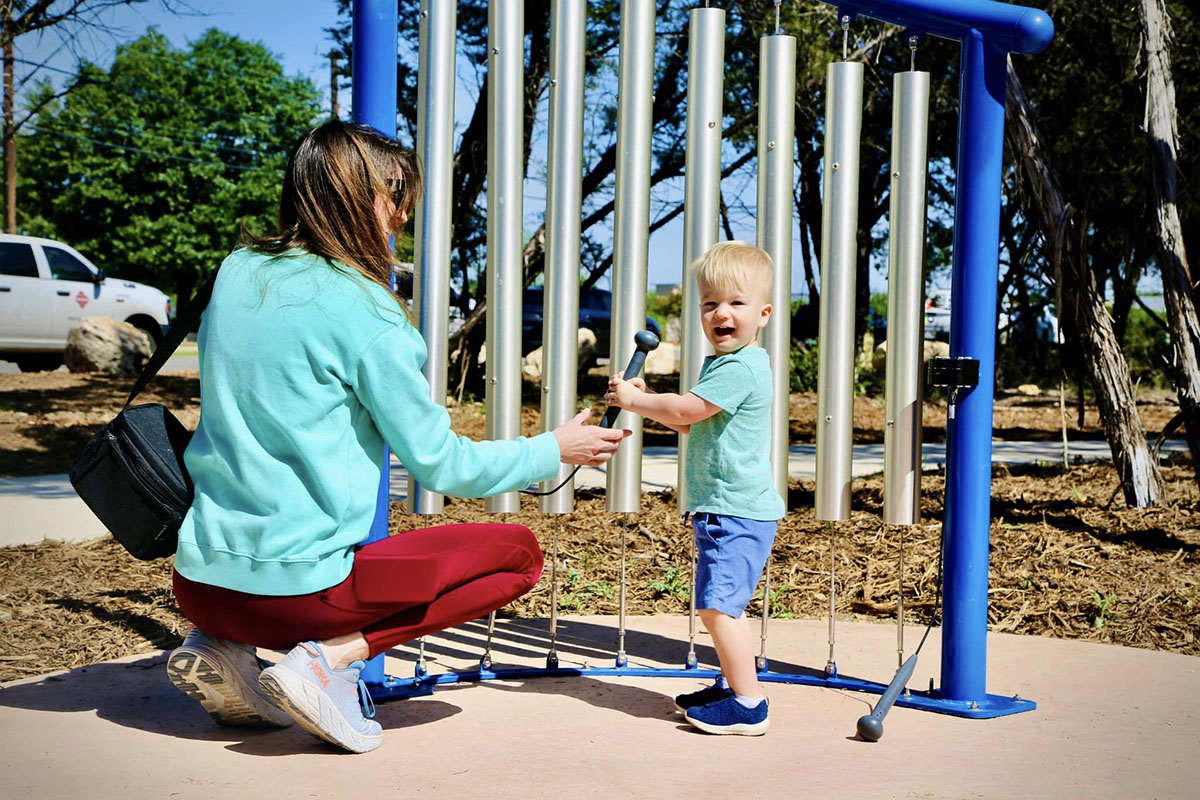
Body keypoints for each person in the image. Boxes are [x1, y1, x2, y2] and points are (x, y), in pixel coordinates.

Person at [166, 120, 629, 754]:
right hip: (300, 597)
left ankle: (223, 649)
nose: (400, 220)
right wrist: (553, 449)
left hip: (201, 586)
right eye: (397, 200)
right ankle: (330, 661)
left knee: (282, 581)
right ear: (361, 196)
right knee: (518, 554)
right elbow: (441, 464)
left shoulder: (239, 271)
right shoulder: (367, 310)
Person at [605, 241, 785, 736]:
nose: (720, 313)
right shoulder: (728, 366)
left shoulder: (740, 366)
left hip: (735, 511)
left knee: (717, 607)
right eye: (710, 304)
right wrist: (644, 399)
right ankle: (733, 685)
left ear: (763, 314)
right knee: (719, 604)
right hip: (727, 508)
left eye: (736, 303)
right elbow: (694, 424)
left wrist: (635, 402)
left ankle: (749, 705)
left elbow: (686, 411)